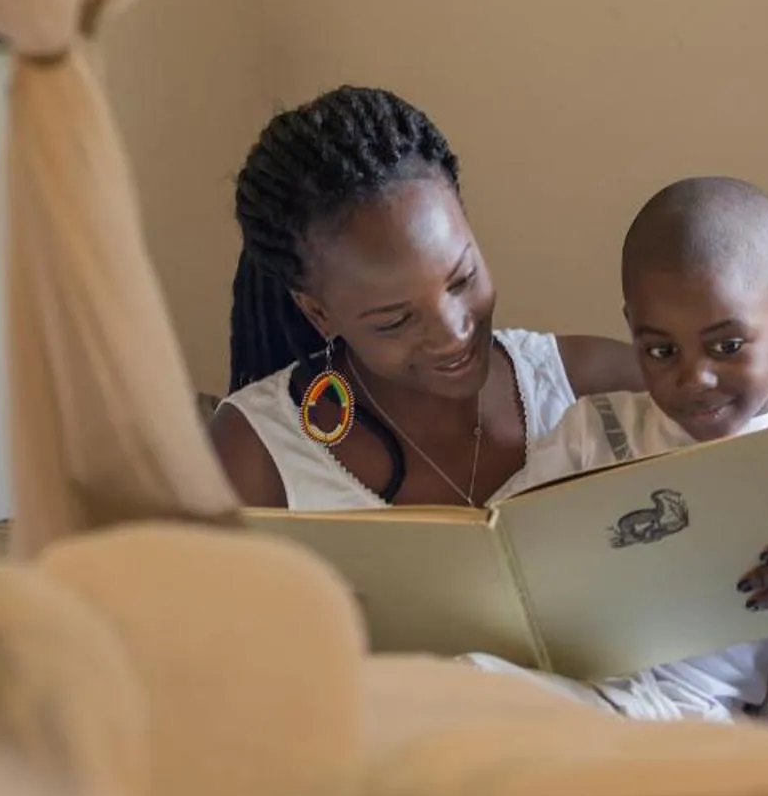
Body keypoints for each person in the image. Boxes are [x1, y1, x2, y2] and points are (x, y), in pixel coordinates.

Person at [494, 176, 768, 722]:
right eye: (660, 349)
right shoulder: (593, 429)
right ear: (631, 330)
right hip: (558, 689)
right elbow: (500, 558)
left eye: (727, 346)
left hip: (683, 721)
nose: (694, 378)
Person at [210, 86, 642, 511]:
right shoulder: (256, 454)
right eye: (396, 320)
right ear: (319, 313)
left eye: (462, 279)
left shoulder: (598, 389)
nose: (453, 334)